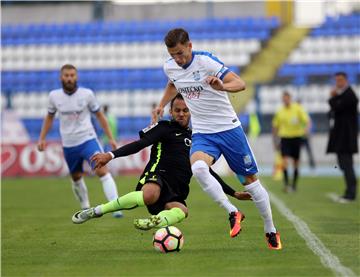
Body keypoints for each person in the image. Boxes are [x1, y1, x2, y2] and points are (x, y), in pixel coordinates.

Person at [152, 28, 281, 249]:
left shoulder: (206, 62)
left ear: (190, 46)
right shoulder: (170, 66)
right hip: (203, 132)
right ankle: (232, 211)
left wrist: (222, 86)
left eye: (181, 53)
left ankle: (270, 228)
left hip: (229, 130)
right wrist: (162, 105)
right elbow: (173, 83)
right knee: (199, 169)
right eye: (173, 55)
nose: (178, 59)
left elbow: (240, 83)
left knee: (250, 182)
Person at [72, 94, 251, 229]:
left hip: (177, 188)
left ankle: (154, 222)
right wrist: (110, 155)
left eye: (185, 110)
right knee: (150, 195)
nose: (181, 114)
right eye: (177, 111)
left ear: (191, 113)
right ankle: (97, 211)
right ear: (171, 112)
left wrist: (233, 193)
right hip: (158, 176)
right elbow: (140, 143)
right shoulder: (164, 127)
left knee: (182, 211)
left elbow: (206, 171)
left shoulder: (197, 139)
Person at [37, 64, 123, 218]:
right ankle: (85, 207)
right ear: (61, 77)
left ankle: (116, 206)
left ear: (76, 77)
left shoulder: (87, 94)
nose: (69, 78)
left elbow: (100, 116)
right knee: (76, 177)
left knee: (102, 170)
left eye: (72, 75)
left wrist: (110, 138)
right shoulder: (54, 96)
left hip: (87, 139)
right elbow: (49, 117)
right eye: (66, 76)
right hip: (69, 144)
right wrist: (42, 138)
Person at [326, 72, 358, 203]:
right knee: (343, 165)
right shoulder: (342, 95)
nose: (338, 83)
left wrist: (332, 98)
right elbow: (332, 112)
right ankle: (348, 191)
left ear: (346, 80)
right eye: (336, 80)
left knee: (347, 164)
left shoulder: (350, 95)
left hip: (346, 137)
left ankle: (351, 193)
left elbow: (337, 107)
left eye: (340, 80)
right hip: (341, 136)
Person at [272, 92, 310, 193]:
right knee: (284, 162)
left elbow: (307, 121)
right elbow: (275, 126)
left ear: (290, 98)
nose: (285, 100)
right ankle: (286, 184)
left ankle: (294, 185)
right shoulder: (280, 111)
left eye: (287, 98)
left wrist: (306, 130)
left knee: (296, 163)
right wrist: (275, 140)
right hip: (284, 138)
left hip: (296, 138)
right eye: (284, 98)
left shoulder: (297, 108)